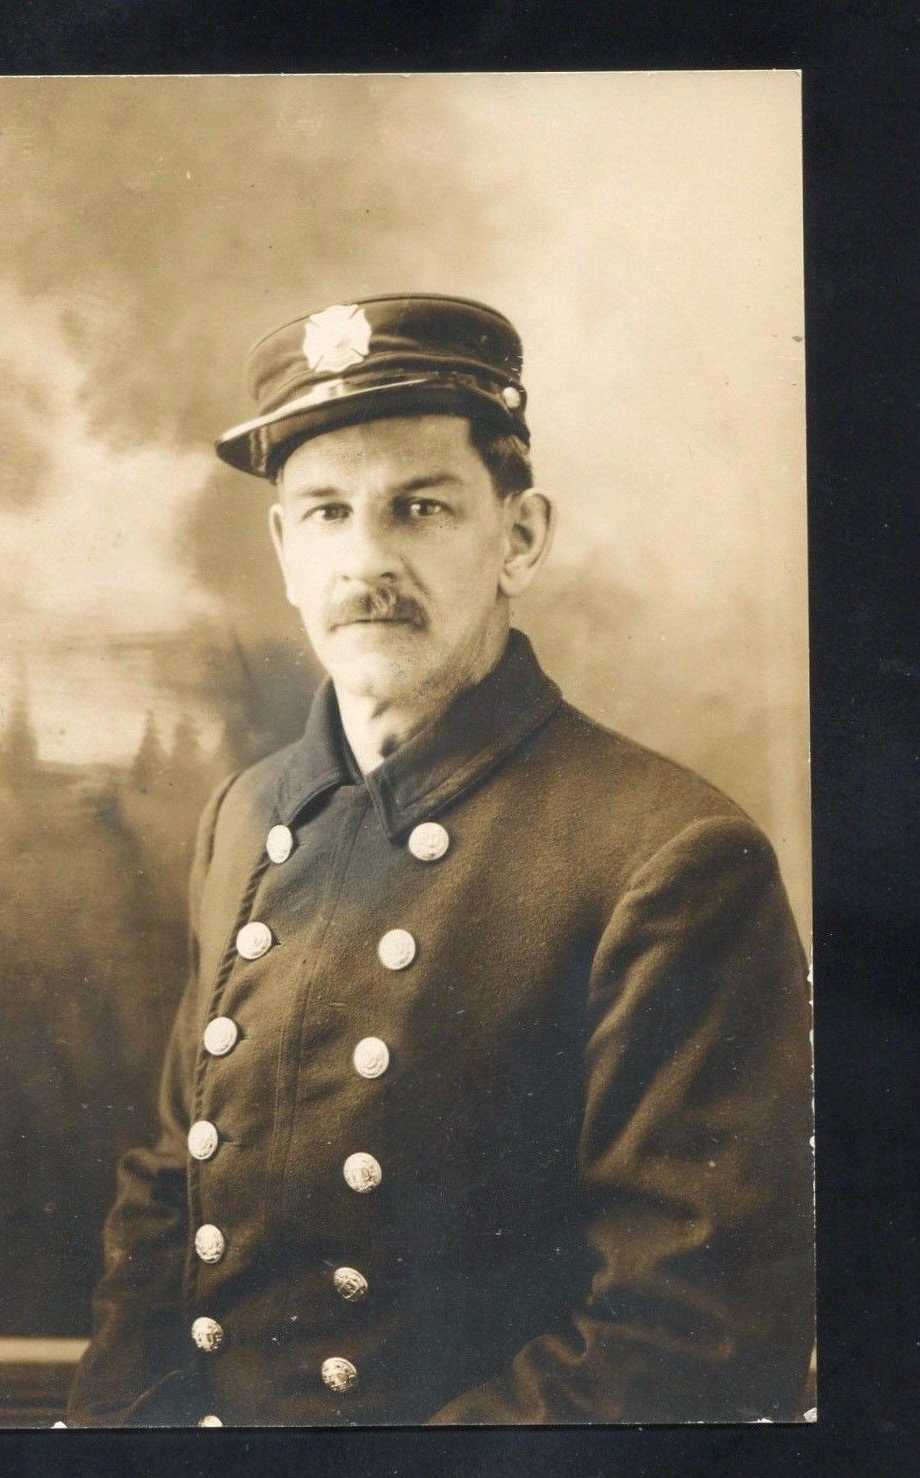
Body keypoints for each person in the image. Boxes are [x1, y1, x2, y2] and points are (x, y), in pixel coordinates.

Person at [66, 294, 814, 1427]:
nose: (365, 560)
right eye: (324, 512)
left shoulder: (665, 855)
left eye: (418, 508)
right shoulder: (248, 810)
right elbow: (168, 1196)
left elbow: (690, 1333)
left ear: (518, 537)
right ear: (281, 550)